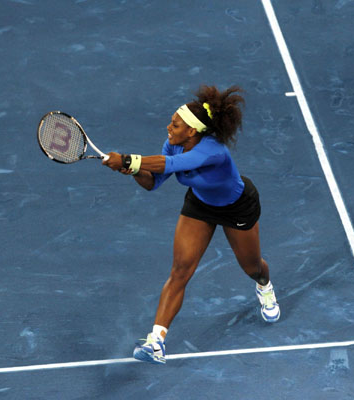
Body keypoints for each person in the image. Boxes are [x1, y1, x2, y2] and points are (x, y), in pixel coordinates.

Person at [102, 85, 280, 365]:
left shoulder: (213, 151)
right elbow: (153, 182)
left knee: (253, 268)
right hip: (200, 205)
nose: (168, 127)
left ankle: (265, 286)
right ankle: (156, 342)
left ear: (192, 131)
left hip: (236, 207)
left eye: (175, 124)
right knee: (180, 271)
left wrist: (127, 159)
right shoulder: (173, 143)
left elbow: (171, 164)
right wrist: (133, 170)